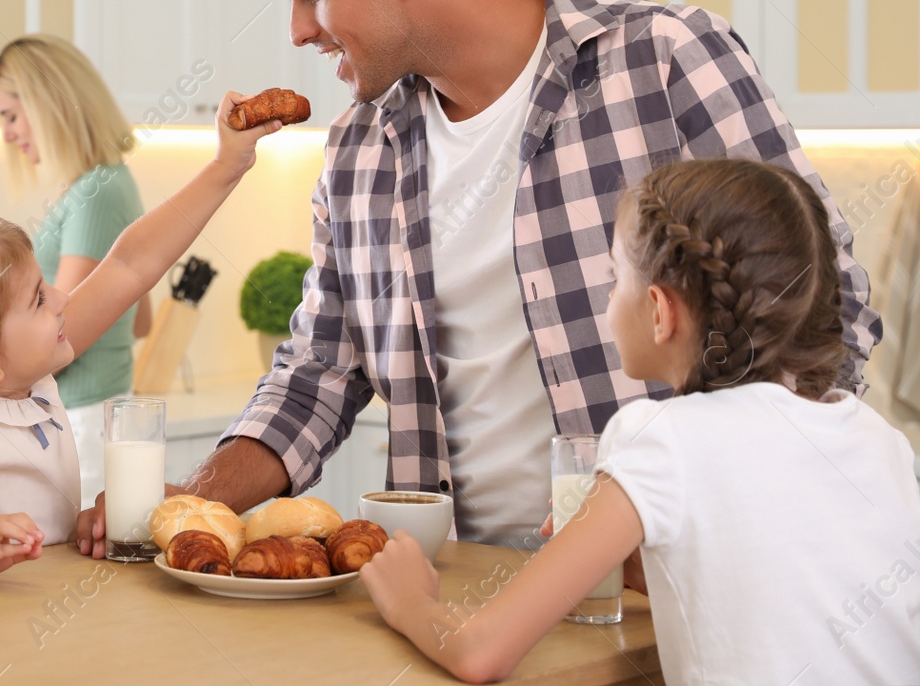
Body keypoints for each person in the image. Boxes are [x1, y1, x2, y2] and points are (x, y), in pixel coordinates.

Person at [78, 0, 882, 559]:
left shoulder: (663, 65)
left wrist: (706, 504)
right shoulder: (359, 150)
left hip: (668, 582)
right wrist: (191, 500)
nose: (297, 31)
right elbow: (318, 372)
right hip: (453, 600)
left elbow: (828, 306)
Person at [359, 158, 920, 684]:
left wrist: (410, 602)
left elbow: (482, 653)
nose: (607, 301)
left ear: (658, 310)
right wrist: (646, 570)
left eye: (614, 277)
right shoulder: (879, 439)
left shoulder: (658, 436)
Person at [0, 93, 282, 586]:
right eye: (38, 298)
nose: (62, 298)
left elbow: (129, 265)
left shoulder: (26, 377)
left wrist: (228, 164)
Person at [0, 35, 152, 509]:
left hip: (82, 418)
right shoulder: (99, 185)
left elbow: (67, 326)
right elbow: (141, 320)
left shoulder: (96, 191)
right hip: (87, 413)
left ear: (48, 104)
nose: (6, 133)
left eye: (10, 115)